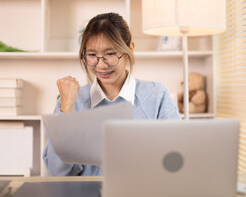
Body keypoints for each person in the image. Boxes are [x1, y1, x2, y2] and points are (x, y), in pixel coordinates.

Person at [43, 12, 181, 176]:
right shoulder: (74, 101)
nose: (101, 65)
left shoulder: (157, 95)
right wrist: (66, 111)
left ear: (130, 49)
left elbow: (177, 158)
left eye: (110, 54)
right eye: (92, 55)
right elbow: (56, 171)